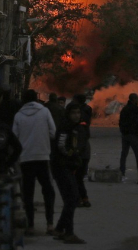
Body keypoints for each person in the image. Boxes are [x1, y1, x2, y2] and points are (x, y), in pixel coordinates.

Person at [12, 89, 57, 236]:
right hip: (43, 157)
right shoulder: (44, 112)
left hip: (26, 159)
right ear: (36, 99)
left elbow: (14, 137)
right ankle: (50, 224)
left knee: (28, 193)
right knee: (48, 191)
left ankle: (30, 225)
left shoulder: (18, 115)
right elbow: (53, 132)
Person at [50, 103, 87, 244]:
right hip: (61, 166)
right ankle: (69, 233)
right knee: (72, 198)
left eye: (78, 112)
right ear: (68, 114)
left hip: (66, 166)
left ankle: (60, 229)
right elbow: (61, 146)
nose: (76, 115)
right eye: (73, 113)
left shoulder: (74, 127)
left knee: (70, 198)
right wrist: (72, 156)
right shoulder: (65, 127)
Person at [119, 93, 138, 183]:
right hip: (133, 135)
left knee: (124, 154)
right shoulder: (134, 108)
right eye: (137, 99)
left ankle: (122, 172)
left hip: (125, 135)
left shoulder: (125, 109)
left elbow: (120, 122)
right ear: (134, 99)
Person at [72, 93, 92, 207]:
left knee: (76, 179)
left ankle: (80, 199)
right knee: (78, 179)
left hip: (79, 155)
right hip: (83, 155)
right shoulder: (83, 126)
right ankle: (83, 199)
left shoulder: (77, 128)